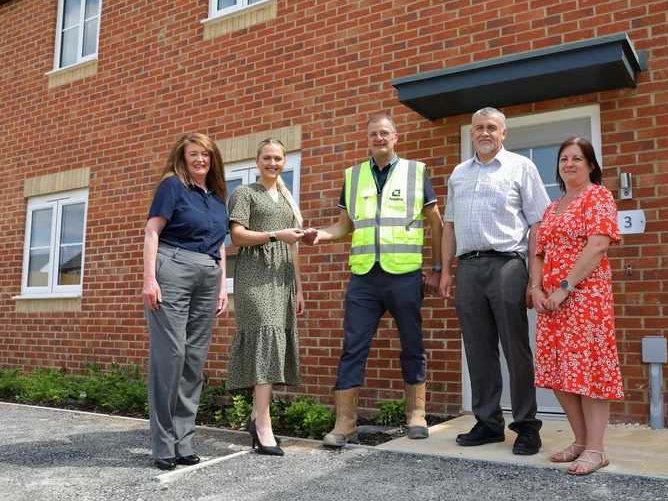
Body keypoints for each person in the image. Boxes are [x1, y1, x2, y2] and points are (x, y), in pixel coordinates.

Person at [302, 114, 444, 446]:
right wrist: (319, 235)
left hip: (404, 276)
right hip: (364, 278)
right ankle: (344, 423)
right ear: (366, 140)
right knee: (352, 347)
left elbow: (436, 222)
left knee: (412, 344)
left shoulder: (415, 172)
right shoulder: (353, 176)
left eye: (384, 133)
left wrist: (436, 267)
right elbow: (343, 226)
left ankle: (417, 415)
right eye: (372, 135)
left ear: (395, 137)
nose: (378, 138)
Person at [439, 107, 550, 455]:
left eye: (491, 127)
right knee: (478, 348)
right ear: (471, 134)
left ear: (503, 133)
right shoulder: (459, 173)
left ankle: (527, 426)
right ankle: (488, 423)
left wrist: (535, 275)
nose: (484, 133)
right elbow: (450, 227)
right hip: (468, 267)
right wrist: (445, 270)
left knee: (515, 348)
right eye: (478, 128)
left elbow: (538, 224)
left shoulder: (522, 167)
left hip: (508, 265)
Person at [530, 137, 623, 475]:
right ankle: (582, 442)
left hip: (585, 299)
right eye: (563, 159)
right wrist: (537, 288)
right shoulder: (551, 207)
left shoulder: (598, 196)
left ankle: (597, 450)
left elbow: (598, 245)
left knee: (590, 370)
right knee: (558, 372)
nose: (569, 164)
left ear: (591, 165)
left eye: (577, 159)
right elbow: (538, 252)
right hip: (552, 303)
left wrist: (564, 288)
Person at [142, 133, 229, 471]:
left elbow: (220, 243)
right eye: (193, 154)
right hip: (173, 268)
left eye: (205, 154)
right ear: (183, 157)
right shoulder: (172, 186)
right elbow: (152, 231)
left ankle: (184, 440)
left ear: (212, 159)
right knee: (171, 354)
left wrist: (222, 285)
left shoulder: (218, 196)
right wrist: (149, 279)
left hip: (208, 275)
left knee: (194, 358)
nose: (199, 160)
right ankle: (163, 444)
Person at [225, 138, 305, 457]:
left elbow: (293, 245)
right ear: (256, 160)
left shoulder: (286, 198)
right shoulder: (245, 193)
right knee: (264, 339)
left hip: (282, 278)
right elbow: (237, 235)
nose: (273, 163)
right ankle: (263, 426)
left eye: (279, 158)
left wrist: (299, 287)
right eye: (267, 158)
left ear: (284, 162)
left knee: (275, 342)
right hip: (254, 277)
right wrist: (275, 235)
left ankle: (257, 415)